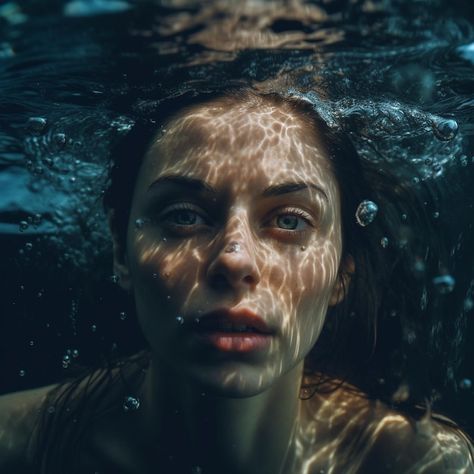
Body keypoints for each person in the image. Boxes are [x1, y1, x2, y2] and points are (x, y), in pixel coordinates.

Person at [0, 86, 473, 474]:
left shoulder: (418, 464)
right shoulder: (15, 446)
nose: (234, 259)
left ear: (342, 271)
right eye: (184, 215)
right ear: (121, 249)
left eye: (290, 221)